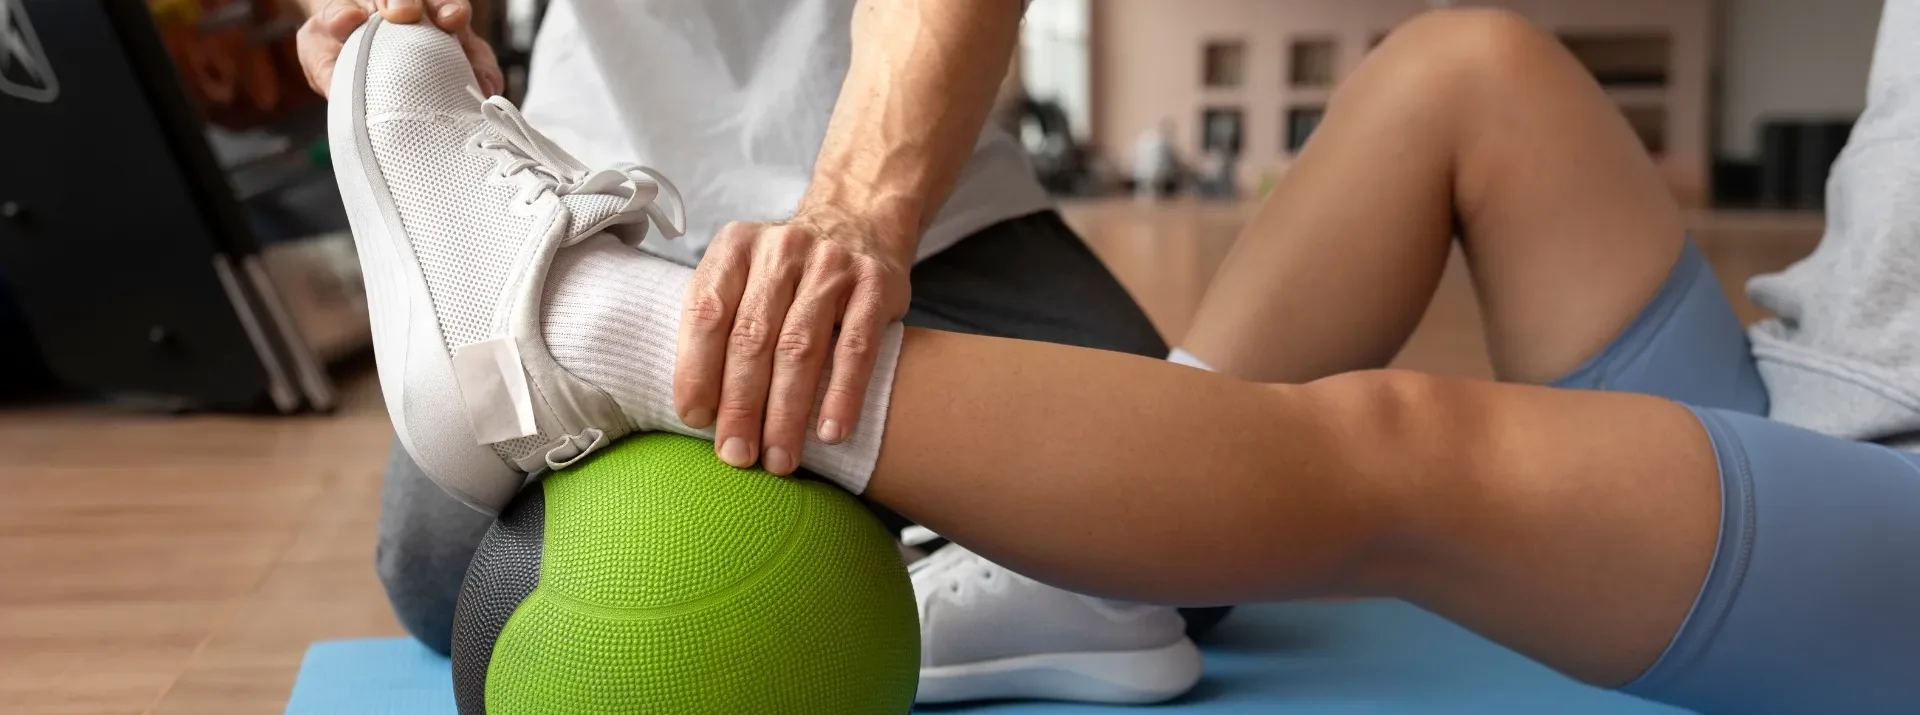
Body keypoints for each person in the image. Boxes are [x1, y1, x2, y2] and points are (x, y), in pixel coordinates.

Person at [328, 4, 1920, 713]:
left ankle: (600, 331)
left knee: (1406, 452)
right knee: (1470, 69)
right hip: (1817, 394)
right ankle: (1109, 575)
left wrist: (848, 222)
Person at [297, 0, 1223, 705]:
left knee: (1188, 544)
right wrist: (394, 24)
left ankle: (616, 340)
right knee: (442, 578)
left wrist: (860, 214)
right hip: (590, 203)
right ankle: (605, 316)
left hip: (932, 199)